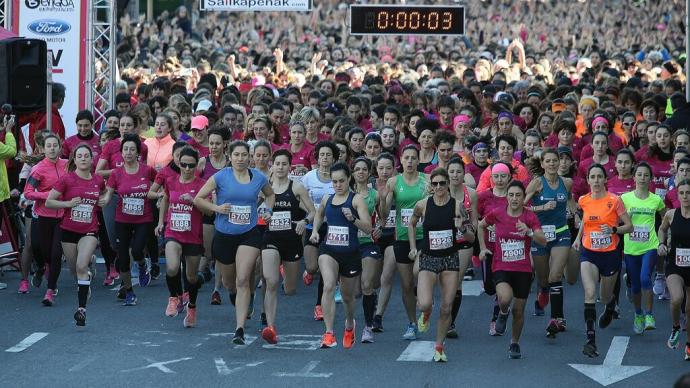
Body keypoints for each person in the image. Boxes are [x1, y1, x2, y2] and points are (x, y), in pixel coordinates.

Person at [193, 140, 275, 345]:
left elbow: (270, 194)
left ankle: (239, 329)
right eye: (236, 155)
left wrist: (267, 209)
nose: (240, 158)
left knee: (243, 279)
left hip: (249, 234)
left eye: (244, 155)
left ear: (250, 157)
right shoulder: (221, 176)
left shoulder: (258, 177)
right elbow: (199, 198)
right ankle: (234, 296)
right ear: (230, 157)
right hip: (224, 234)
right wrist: (217, 209)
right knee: (230, 283)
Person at [479, 181, 546, 359]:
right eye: (511, 195)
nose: (514, 198)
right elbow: (481, 225)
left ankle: (514, 342)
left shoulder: (529, 217)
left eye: (518, 195)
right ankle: (502, 312)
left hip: (523, 269)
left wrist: (530, 232)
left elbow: (543, 240)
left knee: (519, 311)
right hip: (501, 266)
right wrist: (482, 247)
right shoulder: (498, 213)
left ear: (524, 198)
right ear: (506, 197)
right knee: (505, 298)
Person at [409, 167, 471, 362]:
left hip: (449, 259)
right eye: (434, 184)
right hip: (428, 257)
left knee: (446, 307)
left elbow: (471, 235)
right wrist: (413, 246)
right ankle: (426, 313)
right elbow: (411, 223)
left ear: (448, 184)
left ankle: (439, 346)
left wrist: (462, 228)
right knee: (425, 303)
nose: (438, 187)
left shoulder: (457, 205)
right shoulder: (422, 205)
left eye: (442, 183)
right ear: (431, 185)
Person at [573, 164, 633, 358]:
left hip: (610, 254)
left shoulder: (615, 201)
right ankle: (590, 340)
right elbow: (585, 221)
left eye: (600, 177)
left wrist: (614, 230)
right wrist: (577, 238)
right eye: (593, 177)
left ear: (605, 180)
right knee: (590, 293)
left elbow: (629, 227)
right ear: (588, 180)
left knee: (604, 296)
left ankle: (610, 305)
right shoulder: (583, 200)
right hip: (589, 252)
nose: (596, 180)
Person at [309, 162, 372, 348]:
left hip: (350, 253)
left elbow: (368, 228)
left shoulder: (356, 200)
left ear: (349, 179)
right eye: (334, 181)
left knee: (347, 297)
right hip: (328, 250)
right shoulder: (327, 199)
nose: (338, 185)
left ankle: (350, 323)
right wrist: (315, 231)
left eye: (341, 181)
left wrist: (353, 219)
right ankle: (329, 333)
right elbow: (319, 214)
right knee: (328, 285)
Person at [45, 144, 106, 325]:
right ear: (74, 159)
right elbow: (49, 202)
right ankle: (87, 272)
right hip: (68, 230)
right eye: (79, 156)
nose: (83, 159)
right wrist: (68, 204)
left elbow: (104, 194)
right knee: (75, 270)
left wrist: (104, 200)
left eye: (86, 155)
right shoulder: (66, 180)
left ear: (91, 159)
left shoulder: (97, 180)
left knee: (80, 266)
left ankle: (81, 310)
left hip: (89, 230)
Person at [261, 149, 315, 344]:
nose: (281, 167)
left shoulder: (297, 188)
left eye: (284, 164)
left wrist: (304, 221)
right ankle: (270, 326)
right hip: (271, 239)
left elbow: (313, 212)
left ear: (289, 167)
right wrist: (263, 214)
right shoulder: (265, 187)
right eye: (277, 164)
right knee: (271, 282)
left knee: (290, 289)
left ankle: (288, 270)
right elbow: (255, 208)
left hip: (292, 241)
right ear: (272, 166)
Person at [102, 134, 157, 306]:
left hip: (143, 218)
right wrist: (92, 201)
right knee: (123, 257)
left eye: (132, 149)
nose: (128, 152)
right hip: (122, 219)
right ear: (121, 152)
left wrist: (162, 196)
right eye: (125, 149)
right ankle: (129, 291)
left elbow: (161, 184)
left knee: (137, 251)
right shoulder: (116, 173)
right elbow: (108, 195)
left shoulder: (147, 170)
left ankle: (142, 265)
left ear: (138, 153)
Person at [525, 149, 574, 337]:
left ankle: (557, 318)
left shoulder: (566, 183)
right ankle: (543, 289)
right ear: (543, 164)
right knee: (544, 278)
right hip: (540, 235)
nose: (553, 164)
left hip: (561, 233)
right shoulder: (536, 183)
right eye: (549, 161)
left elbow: (570, 200)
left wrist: (573, 211)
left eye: (556, 160)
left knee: (556, 276)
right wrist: (542, 207)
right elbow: (522, 207)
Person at [156, 147, 206, 327]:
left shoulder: (202, 184)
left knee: (191, 277)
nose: (187, 168)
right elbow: (166, 200)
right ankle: (173, 297)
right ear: (178, 163)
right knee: (172, 267)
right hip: (173, 232)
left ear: (196, 165)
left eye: (191, 165)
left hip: (193, 235)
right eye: (183, 164)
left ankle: (191, 307)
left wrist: (194, 201)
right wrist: (161, 222)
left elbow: (208, 209)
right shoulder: (170, 181)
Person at [381, 145, 427, 340]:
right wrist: (384, 199)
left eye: (413, 158)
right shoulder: (394, 181)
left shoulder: (426, 181)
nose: (409, 161)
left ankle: (424, 302)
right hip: (401, 237)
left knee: (418, 272)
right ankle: (412, 323)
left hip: (424, 236)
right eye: (406, 158)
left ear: (418, 160)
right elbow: (384, 216)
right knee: (407, 285)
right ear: (401, 160)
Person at [621, 162, 665, 334]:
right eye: (639, 174)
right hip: (631, 248)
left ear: (651, 179)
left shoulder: (656, 200)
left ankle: (649, 315)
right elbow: (617, 222)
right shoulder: (625, 199)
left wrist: (663, 238)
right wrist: (627, 219)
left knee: (646, 278)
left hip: (650, 246)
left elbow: (665, 218)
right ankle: (638, 314)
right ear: (634, 177)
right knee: (637, 285)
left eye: (646, 175)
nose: (642, 178)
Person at [24, 134, 67, 306]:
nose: (52, 148)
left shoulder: (67, 165)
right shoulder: (38, 169)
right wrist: (46, 195)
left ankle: (50, 291)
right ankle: (43, 267)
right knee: (42, 251)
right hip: (43, 216)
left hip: (62, 216)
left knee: (56, 253)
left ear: (59, 147)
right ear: (43, 149)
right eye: (48, 146)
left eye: (54, 145)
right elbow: (28, 193)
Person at [301, 141, 338, 321]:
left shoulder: (338, 178)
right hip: (312, 226)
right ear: (317, 156)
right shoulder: (309, 177)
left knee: (325, 269)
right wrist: (311, 210)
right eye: (322, 154)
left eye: (328, 155)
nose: (324, 158)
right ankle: (307, 273)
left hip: (332, 227)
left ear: (334, 158)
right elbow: (299, 198)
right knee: (312, 266)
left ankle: (319, 306)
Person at [477, 162, 512, 335]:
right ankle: (500, 306)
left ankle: (496, 317)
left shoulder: (513, 197)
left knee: (501, 284)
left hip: (507, 249)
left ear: (509, 177)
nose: (499, 180)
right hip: (489, 247)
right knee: (490, 287)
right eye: (496, 176)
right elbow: (476, 221)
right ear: (491, 178)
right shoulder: (484, 197)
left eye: (503, 176)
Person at [657, 179, 690, 360]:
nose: (685, 196)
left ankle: (689, 346)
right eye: (682, 193)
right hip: (675, 265)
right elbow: (662, 229)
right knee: (677, 298)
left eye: (689, 193)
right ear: (677, 195)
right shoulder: (671, 214)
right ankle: (676, 327)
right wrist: (662, 243)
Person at [445, 157, 478, 338]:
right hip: (443, 241)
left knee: (456, 280)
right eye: (452, 171)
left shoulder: (471, 194)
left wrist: (465, 224)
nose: (455, 175)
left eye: (459, 171)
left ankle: (450, 322)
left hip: (464, 240)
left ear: (464, 174)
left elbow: (475, 223)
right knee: (445, 281)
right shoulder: (440, 191)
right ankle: (444, 312)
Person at [351, 157, 381, 343]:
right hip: (350, 244)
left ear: (369, 173)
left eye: (364, 169)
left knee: (366, 285)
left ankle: (368, 327)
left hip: (368, 242)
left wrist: (379, 226)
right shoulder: (345, 193)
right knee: (355, 292)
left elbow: (383, 217)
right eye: (357, 169)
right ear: (352, 172)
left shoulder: (375, 195)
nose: (361, 172)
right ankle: (371, 300)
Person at [200, 129, 229, 305]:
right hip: (209, 211)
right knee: (208, 252)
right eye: (211, 143)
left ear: (224, 144)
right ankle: (207, 271)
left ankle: (216, 290)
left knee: (218, 254)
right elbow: (195, 185)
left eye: (217, 143)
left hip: (225, 212)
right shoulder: (203, 162)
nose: (214, 147)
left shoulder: (231, 163)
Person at [372, 152, 397, 332]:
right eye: (381, 168)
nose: (385, 171)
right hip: (373, 236)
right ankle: (372, 302)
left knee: (386, 277)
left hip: (393, 235)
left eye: (389, 168)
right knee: (372, 282)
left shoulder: (400, 185)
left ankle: (378, 316)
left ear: (394, 168)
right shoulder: (370, 185)